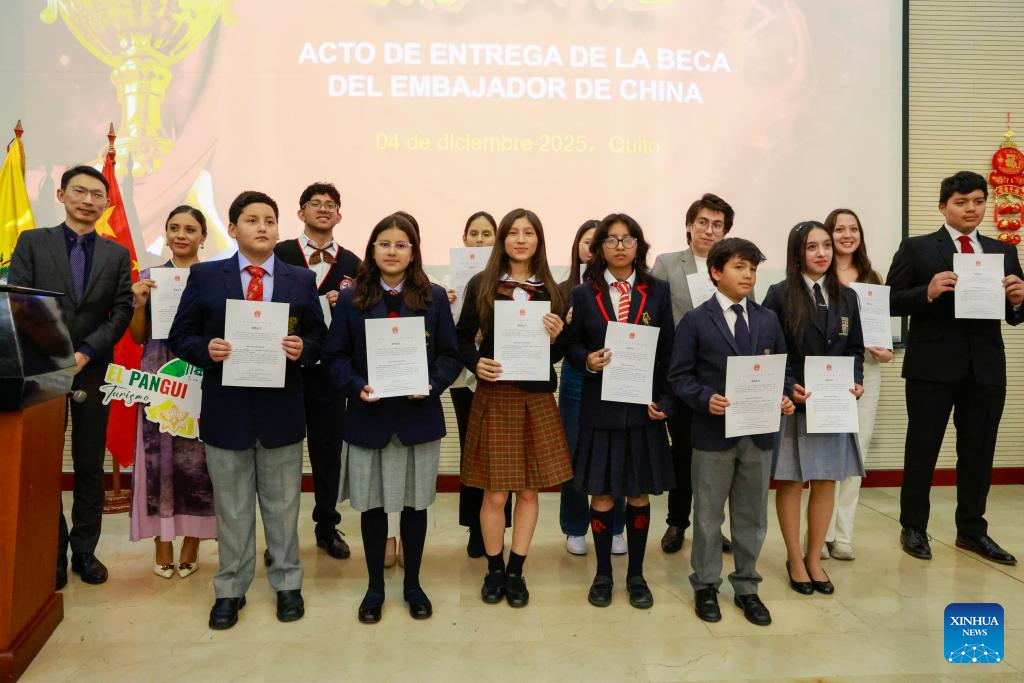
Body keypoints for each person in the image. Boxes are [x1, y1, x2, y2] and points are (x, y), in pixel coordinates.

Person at [169, 190, 326, 629]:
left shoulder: (300, 279)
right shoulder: (205, 276)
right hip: (226, 410)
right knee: (233, 509)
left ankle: (287, 583)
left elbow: (319, 338)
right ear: (233, 228)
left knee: (283, 506)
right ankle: (230, 588)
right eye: (252, 220)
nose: (263, 227)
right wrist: (206, 350)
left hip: (282, 411)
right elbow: (181, 336)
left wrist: (303, 348)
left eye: (270, 220)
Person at [324, 212, 462, 624]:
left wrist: (432, 384)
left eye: (402, 244)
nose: (392, 251)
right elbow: (334, 357)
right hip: (369, 418)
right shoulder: (352, 298)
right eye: (384, 243)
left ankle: (413, 584)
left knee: (415, 507)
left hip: (418, 419)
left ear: (414, 252)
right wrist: (356, 386)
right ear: (372, 249)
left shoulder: (433, 297)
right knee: (372, 509)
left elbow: (450, 356)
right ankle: (375, 588)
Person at [887, 170, 1023, 565]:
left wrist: (1019, 299)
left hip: (985, 368)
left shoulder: (1002, 250)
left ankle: (972, 530)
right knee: (923, 447)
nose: (971, 209)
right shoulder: (917, 248)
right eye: (961, 202)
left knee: (979, 450)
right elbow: (889, 300)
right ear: (943, 207)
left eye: (978, 201)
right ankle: (913, 527)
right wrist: (927, 293)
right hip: (931, 365)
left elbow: (1016, 313)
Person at [8, 164, 133, 589]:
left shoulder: (117, 254)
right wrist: (57, 354)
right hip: (41, 369)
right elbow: (21, 300)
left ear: (106, 203)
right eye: (79, 191)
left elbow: (121, 312)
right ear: (61, 195)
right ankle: (53, 552)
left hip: (92, 369)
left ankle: (84, 551)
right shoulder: (33, 242)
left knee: (89, 464)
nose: (88, 201)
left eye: (97, 195)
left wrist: (84, 353)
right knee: (46, 466)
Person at [669, 237, 794, 627]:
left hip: (759, 435)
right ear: (716, 272)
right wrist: (705, 398)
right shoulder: (695, 320)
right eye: (740, 267)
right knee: (708, 516)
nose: (748, 275)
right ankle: (706, 584)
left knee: (751, 515)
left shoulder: (767, 319)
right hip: (712, 435)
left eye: (753, 268)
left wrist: (786, 394)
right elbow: (679, 376)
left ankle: (747, 586)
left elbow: (784, 370)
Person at [458, 208, 572, 608]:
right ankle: (494, 568)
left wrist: (558, 338)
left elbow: (556, 354)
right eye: (513, 233)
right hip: (495, 395)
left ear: (539, 240)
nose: (521, 240)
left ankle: (516, 570)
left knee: (528, 490)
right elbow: (460, 339)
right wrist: (476, 363)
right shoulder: (482, 284)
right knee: (494, 493)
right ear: (503, 239)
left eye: (529, 233)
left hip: (536, 398)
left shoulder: (552, 290)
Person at [564, 213, 675, 608]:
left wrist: (666, 401)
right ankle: (603, 575)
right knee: (603, 494)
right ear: (600, 248)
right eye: (611, 239)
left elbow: (669, 349)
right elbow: (572, 345)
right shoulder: (584, 294)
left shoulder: (657, 291)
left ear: (638, 245)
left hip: (643, 410)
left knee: (639, 493)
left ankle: (637, 575)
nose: (620, 246)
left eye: (628, 239)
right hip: (601, 409)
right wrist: (587, 360)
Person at [762, 221, 865, 595]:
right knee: (791, 481)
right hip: (795, 405)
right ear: (797, 253)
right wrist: (788, 385)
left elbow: (855, 349)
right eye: (811, 247)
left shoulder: (847, 297)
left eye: (826, 246)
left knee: (826, 480)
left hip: (833, 405)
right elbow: (769, 349)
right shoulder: (778, 295)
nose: (822, 253)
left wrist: (856, 380)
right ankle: (794, 558)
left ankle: (813, 557)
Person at [127, 206, 217, 578]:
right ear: (166, 234)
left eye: (190, 229)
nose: (181, 235)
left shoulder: (215, 278)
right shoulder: (150, 278)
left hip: (200, 374)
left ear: (203, 237)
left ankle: (193, 540)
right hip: (158, 375)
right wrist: (139, 305)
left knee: (199, 460)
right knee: (158, 459)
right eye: (174, 228)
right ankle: (162, 541)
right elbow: (137, 336)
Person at [273, 181, 360, 561]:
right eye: (315, 203)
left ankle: (327, 526)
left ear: (339, 216)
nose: (323, 209)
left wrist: (348, 304)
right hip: (283, 368)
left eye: (330, 205)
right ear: (301, 212)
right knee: (282, 456)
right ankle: (280, 537)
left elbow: (363, 317)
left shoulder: (354, 263)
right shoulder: (279, 254)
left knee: (328, 453)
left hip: (331, 374)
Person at [652, 193, 735, 554]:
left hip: (721, 379)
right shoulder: (668, 264)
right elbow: (650, 314)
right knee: (684, 451)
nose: (709, 230)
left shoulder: (734, 265)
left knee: (717, 457)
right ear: (689, 225)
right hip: (681, 377)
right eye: (703, 222)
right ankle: (677, 522)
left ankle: (713, 526)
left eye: (717, 225)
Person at [821, 208, 894, 561]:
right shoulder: (819, 274)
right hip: (828, 372)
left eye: (853, 229)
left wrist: (886, 352)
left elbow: (883, 332)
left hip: (867, 369)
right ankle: (820, 533)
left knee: (857, 451)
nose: (847, 235)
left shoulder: (872, 278)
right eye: (839, 229)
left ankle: (843, 534)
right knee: (826, 453)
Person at [558, 219, 626, 556]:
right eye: (586, 241)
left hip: (619, 377)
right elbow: (559, 345)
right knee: (573, 452)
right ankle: (575, 526)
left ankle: (615, 526)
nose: (592, 248)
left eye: (597, 241)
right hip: (577, 375)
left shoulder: (624, 288)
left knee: (617, 452)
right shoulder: (564, 288)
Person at [451, 211, 512, 558]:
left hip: (501, 377)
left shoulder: (512, 280)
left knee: (504, 457)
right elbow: (450, 334)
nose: (479, 239)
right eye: (473, 233)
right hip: (466, 378)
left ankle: (499, 527)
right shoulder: (448, 280)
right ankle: (475, 527)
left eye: (486, 233)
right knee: (471, 453)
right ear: (464, 238)